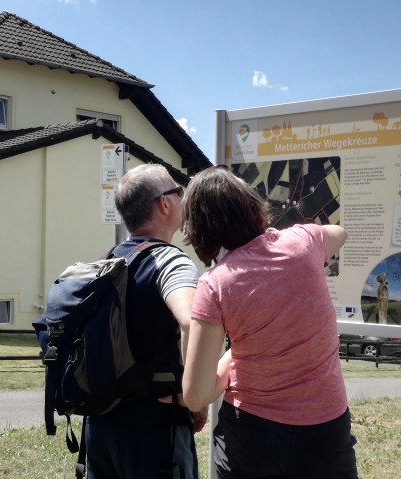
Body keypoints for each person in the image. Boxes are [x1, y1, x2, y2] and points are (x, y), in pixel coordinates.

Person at [181, 166, 358, 479]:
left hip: (253, 436)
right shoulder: (303, 242)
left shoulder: (215, 284)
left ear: (198, 229)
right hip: (326, 431)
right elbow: (340, 234)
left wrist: (237, 353)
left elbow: (196, 394)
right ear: (253, 206)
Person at [85, 163, 206, 479]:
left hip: (99, 424)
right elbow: (192, 322)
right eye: (177, 192)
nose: (182, 199)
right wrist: (195, 397)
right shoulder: (170, 260)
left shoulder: (106, 261)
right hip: (154, 430)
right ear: (164, 204)